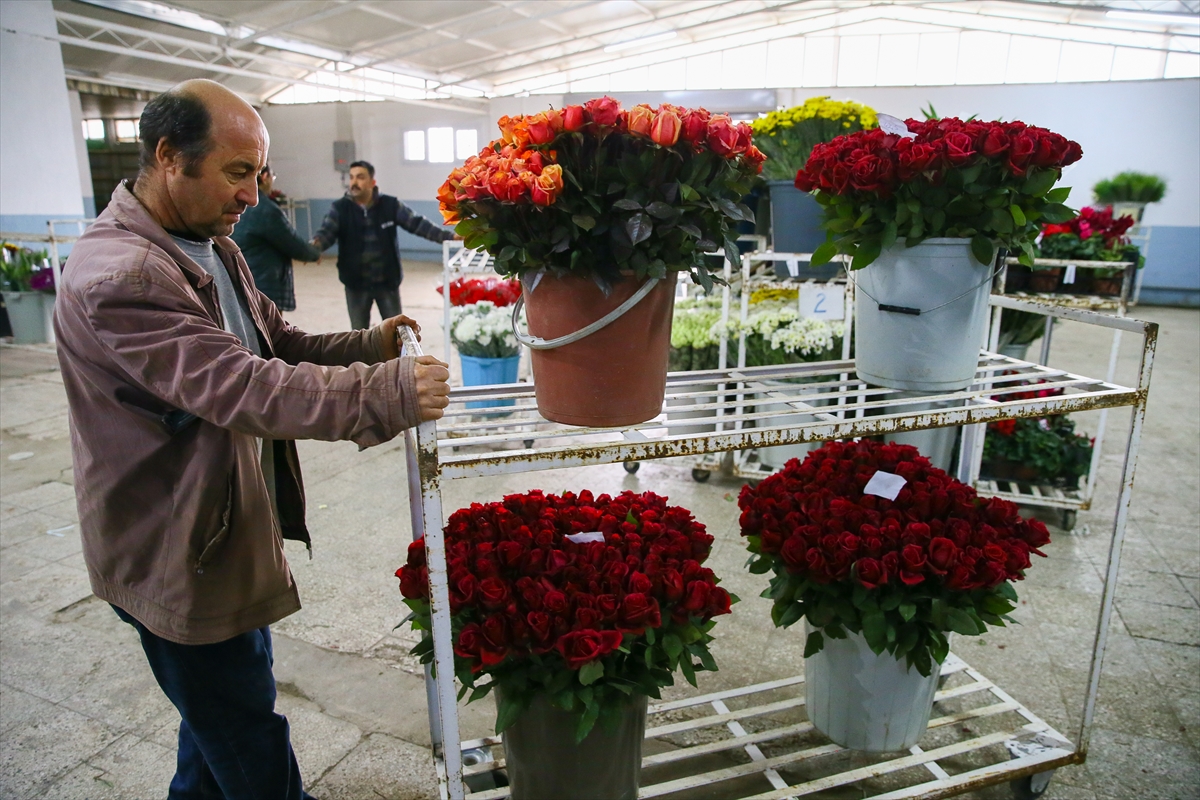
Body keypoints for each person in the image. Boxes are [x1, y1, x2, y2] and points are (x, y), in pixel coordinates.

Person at [53, 79, 450, 800]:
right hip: (173, 544)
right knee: (246, 737)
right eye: (239, 173)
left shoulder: (210, 246)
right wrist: (385, 392)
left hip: (221, 527)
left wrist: (368, 344)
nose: (254, 195)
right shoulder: (126, 274)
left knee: (215, 721)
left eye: (258, 174)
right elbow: (241, 385)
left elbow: (278, 343)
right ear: (170, 156)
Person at [311, 160, 454, 329]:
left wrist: (449, 237)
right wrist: (315, 247)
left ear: (372, 182)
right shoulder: (340, 208)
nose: (354, 182)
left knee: (395, 333)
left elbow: (418, 224)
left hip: (387, 283)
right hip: (356, 285)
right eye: (351, 178)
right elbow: (327, 232)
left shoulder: (390, 205)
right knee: (359, 336)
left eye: (360, 177)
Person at [230, 162, 319, 311]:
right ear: (265, 177)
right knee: (269, 332)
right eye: (273, 176)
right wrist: (314, 253)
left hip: (237, 282)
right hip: (264, 288)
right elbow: (292, 243)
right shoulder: (266, 210)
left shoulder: (235, 204)